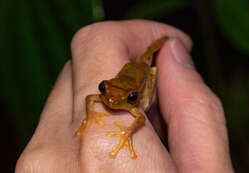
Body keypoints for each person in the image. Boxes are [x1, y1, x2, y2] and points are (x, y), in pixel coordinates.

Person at [15, 20, 234, 173]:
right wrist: (88, 118)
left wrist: (128, 134)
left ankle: (167, 41)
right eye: (104, 88)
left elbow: (139, 118)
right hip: (128, 74)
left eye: (128, 99)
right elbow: (90, 99)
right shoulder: (107, 96)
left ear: (131, 98)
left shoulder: (132, 102)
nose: (111, 101)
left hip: (141, 75)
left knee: (149, 64)